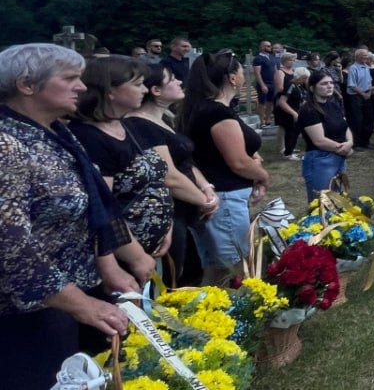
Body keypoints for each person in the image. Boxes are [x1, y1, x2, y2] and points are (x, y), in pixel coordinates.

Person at [0, 44, 154, 389]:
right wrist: (81, 304)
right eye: (70, 78)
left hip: (63, 302)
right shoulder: (7, 145)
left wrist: (108, 265)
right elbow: (9, 243)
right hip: (24, 313)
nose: (82, 87)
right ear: (27, 84)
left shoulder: (58, 132)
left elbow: (93, 205)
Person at [68, 56, 173, 258]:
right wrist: (136, 257)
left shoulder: (128, 125)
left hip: (152, 246)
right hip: (123, 255)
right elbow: (104, 207)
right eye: (138, 84)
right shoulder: (90, 138)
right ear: (110, 91)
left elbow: (155, 181)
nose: (145, 90)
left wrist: (165, 223)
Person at [125, 63, 218, 286]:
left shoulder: (164, 118)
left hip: (189, 207)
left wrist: (207, 189)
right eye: (172, 78)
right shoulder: (139, 124)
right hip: (171, 212)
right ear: (156, 90)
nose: (179, 81)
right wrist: (204, 201)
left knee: (194, 270)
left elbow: (186, 161)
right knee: (176, 277)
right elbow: (169, 176)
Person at [179, 51, 269, 282]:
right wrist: (262, 175)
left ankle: (212, 315)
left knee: (215, 267)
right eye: (241, 72)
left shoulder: (207, 108)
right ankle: (232, 315)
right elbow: (238, 162)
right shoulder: (217, 113)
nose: (244, 76)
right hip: (225, 198)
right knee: (234, 267)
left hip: (219, 195)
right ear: (231, 78)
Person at [298, 71, 355, 201]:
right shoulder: (308, 110)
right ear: (312, 88)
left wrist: (350, 143)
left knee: (337, 201)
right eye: (324, 83)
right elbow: (319, 140)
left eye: (331, 83)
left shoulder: (333, 105)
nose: (329, 86)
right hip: (320, 160)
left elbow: (344, 126)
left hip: (339, 158)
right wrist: (344, 149)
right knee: (322, 203)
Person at [275, 65, 307, 160]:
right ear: (299, 77)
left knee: (294, 132)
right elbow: (282, 101)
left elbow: (299, 99)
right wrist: (293, 113)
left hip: (294, 112)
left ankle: (290, 150)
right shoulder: (291, 85)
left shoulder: (298, 86)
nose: (305, 80)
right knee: (291, 132)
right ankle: (288, 154)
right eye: (304, 78)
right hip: (286, 113)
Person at [345, 49, 374, 150]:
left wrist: (369, 92)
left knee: (368, 119)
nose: (367, 58)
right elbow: (352, 85)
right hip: (356, 96)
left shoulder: (367, 67)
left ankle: (365, 141)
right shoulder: (353, 68)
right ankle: (356, 143)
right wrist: (363, 94)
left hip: (366, 95)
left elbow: (370, 82)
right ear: (357, 57)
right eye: (364, 56)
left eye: (367, 56)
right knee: (357, 120)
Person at [252, 40, 277, 129]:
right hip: (263, 83)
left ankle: (267, 120)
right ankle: (262, 121)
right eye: (267, 46)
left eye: (270, 46)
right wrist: (262, 85)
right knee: (262, 102)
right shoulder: (258, 58)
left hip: (272, 83)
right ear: (262, 47)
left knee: (270, 102)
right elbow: (257, 73)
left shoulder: (272, 57)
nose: (270, 47)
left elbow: (275, 71)